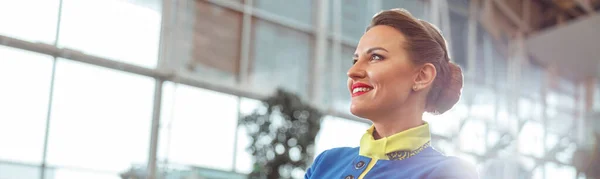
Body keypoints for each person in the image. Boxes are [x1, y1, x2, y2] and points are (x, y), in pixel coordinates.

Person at [305, 9, 478, 179]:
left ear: (421, 76)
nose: (352, 71)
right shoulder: (326, 163)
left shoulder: (450, 173)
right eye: (355, 60)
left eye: (376, 57)